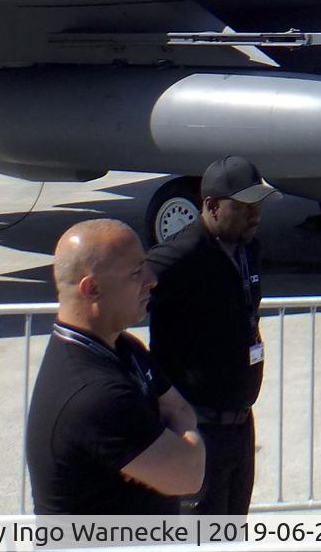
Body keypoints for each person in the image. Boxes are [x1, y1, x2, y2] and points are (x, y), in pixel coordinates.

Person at [26, 218, 204, 515]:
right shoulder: (93, 392)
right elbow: (188, 473)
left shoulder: (123, 347)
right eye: (136, 273)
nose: (152, 279)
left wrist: (177, 431)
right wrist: (187, 439)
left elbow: (179, 408)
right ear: (92, 288)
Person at [146, 156, 274, 515]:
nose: (256, 215)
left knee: (233, 532)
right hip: (199, 429)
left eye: (258, 204)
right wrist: (150, 383)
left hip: (240, 424)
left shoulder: (249, 247)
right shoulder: (181, 255)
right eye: (245, 206)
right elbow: (121, 296)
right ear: (212, 207)